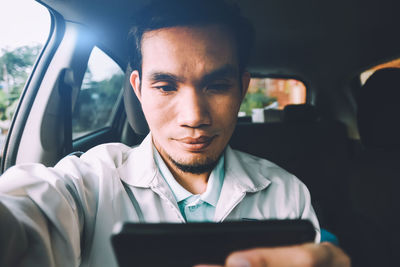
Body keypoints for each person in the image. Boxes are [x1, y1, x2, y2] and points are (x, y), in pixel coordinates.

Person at [0, 0, 350, 266]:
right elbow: (23, 214)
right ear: (138, 89)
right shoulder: (89, 181)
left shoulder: (286, 192)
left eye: (217, 85)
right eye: (166, 86)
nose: (194, 117)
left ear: (242, 88)